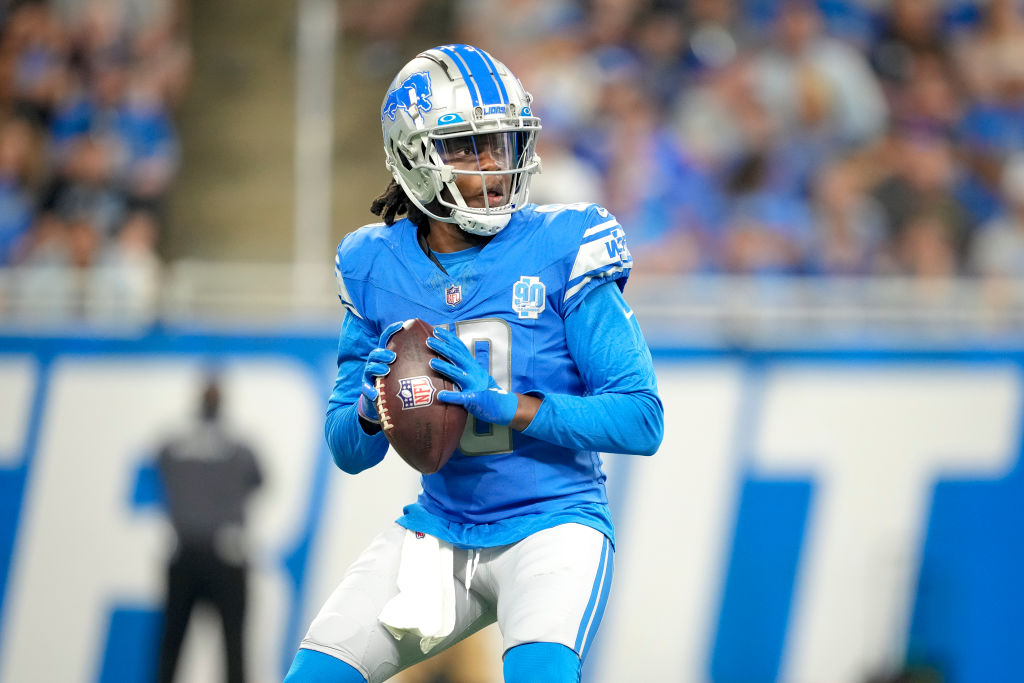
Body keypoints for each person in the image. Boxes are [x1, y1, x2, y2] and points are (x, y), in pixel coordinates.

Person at [285, 44, 664, 683]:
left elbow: (640, 420)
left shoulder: (564, 242)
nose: (491, 163)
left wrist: (505, 406)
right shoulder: (374, 263)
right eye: (466, 146)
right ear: (413, 158)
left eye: (501, 143)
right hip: (440, 526)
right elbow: (347, 451)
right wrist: (369, 408)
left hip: (551, 523)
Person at [155, 376, 263, 683]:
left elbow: (160, 469)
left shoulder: (172, 446)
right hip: (226, 555)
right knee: (234, 648)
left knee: (171, 648)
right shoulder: (240, 449)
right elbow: (259, 480)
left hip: (184, 552)